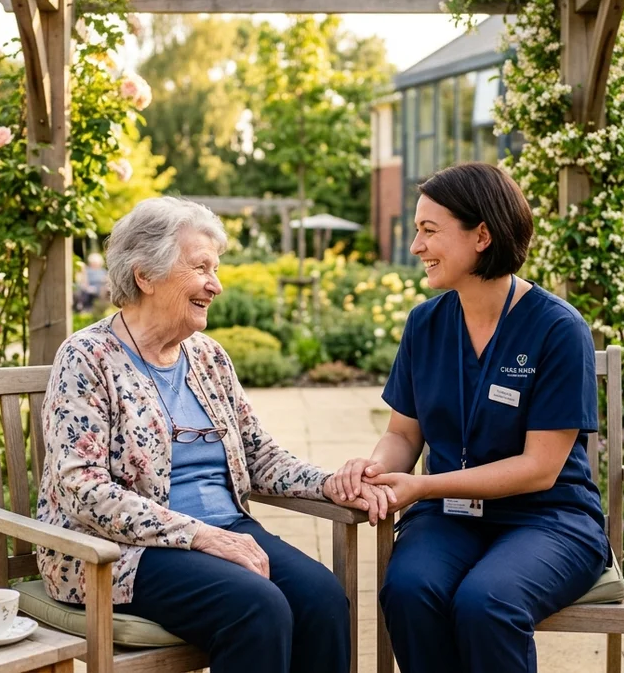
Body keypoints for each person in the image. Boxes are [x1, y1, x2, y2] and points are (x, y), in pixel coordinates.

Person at [36, 197, 392, 673]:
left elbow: (259, 455)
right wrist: (199, 536)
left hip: (224, 534)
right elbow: (83, 489)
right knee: (257, 607)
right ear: (145, 275)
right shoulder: (86, 357)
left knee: (323, 598)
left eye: (216, 268)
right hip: (120, 552)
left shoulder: (207, 356)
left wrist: (329, 484)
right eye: (201, 267)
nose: (216, 285)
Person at [326, 163, 608, 673]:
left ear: (482, 235)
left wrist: (421, 489)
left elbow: (539, 468)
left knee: (487, 603)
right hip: (452, 516)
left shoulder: (558, 329)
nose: (416, 247)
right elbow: (402, 433)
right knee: (409, 591)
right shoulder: (426, 324)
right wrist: (375, 471)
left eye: (429, 231)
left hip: (549, 518)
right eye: (417, 230)